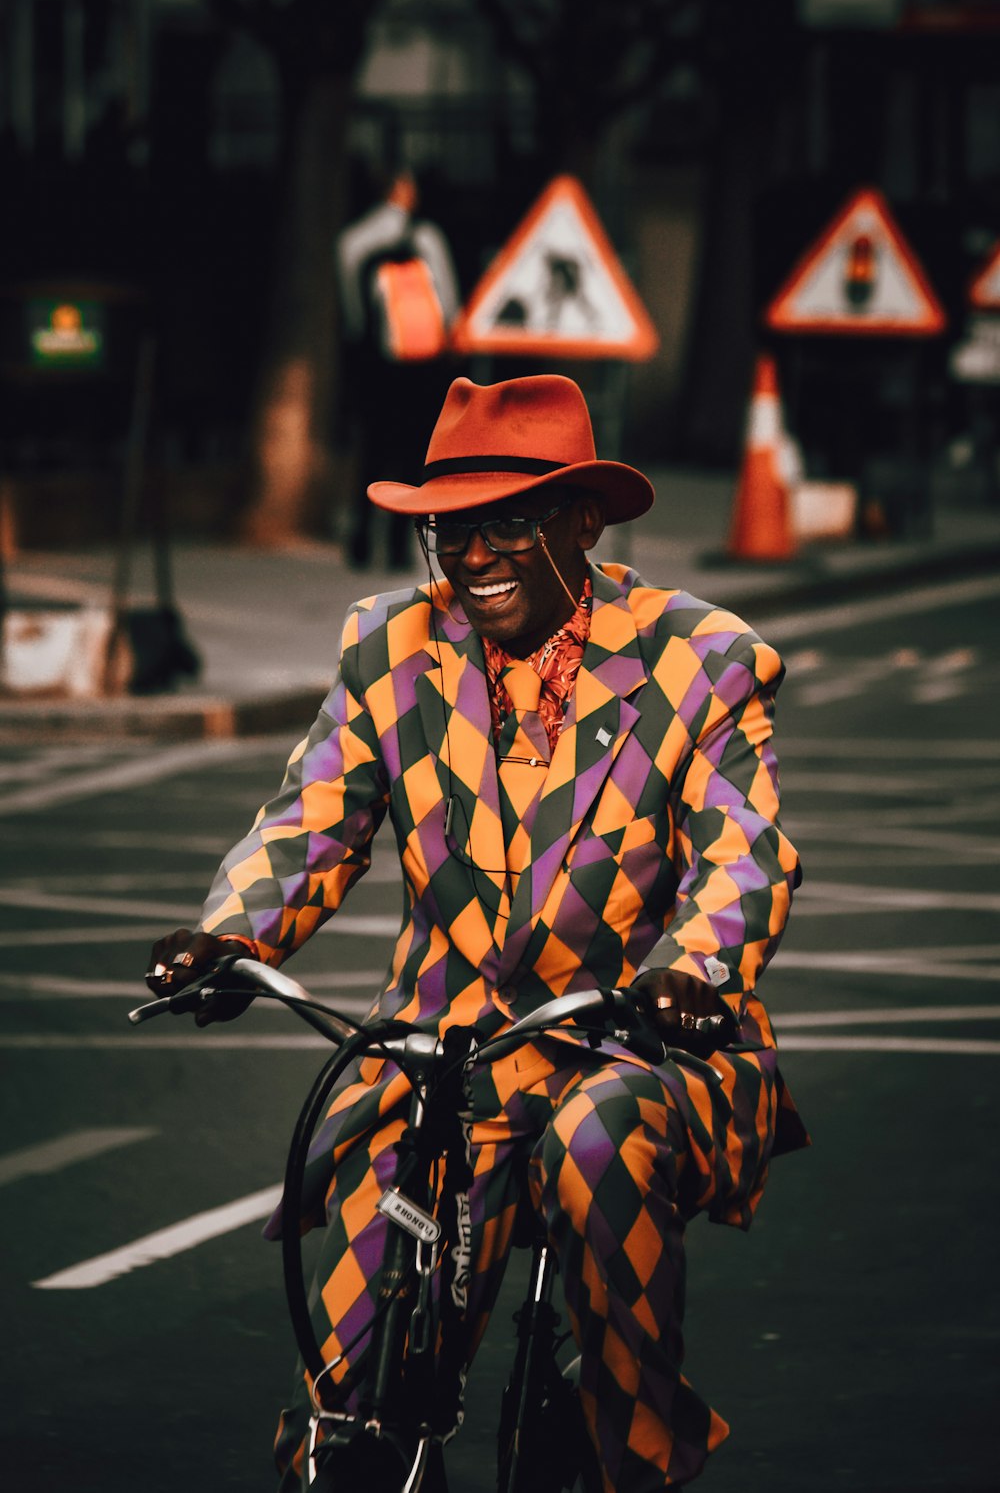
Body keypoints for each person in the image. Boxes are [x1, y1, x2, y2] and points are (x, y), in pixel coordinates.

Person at [146, 374, 807, 1491]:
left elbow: (744, 851)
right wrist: (228, 940)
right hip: (446, 1049)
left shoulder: (699, 659)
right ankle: (353, 1437)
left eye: (510, 523)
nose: (473, 555)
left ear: (582, 524)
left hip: (640, 1044)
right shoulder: (390, 645)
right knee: (366, 1234)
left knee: (599, 1146)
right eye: (450, 529)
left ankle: (628, 1446)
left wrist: (695, 970)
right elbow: (311, 824)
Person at [334, 167, 461, 570]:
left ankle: (359, 539)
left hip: (374, 366)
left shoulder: (352, 242)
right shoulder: (426, 238)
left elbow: (353, 313)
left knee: (370, 452)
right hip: (418, 368)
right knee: (410, 456)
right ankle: (397, 546)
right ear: (403, 190)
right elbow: (449, 303)